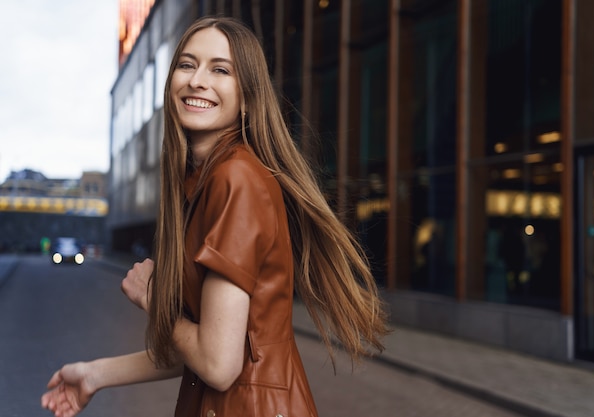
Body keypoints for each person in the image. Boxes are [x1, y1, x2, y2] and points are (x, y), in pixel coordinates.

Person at [41, 16, 388, 417]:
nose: (196, 80)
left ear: (248, 95)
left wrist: (155, 301)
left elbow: (218, 366)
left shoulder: (235, 179)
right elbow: (200, 348)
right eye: (187, 65)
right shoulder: (204, 183)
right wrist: (95, 374)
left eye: (220, 69)